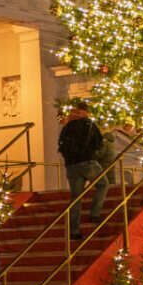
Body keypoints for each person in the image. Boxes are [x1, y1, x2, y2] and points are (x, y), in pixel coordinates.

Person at [58, 102, 105, 239]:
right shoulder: (88, 124)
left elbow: (61, 146)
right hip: (87, 162)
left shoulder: (66, 128)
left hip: (71, 166)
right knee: (103, 184)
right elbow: (98, 143)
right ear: (84, 112)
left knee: (76, 197)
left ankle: (74, 231)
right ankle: (95, 213)